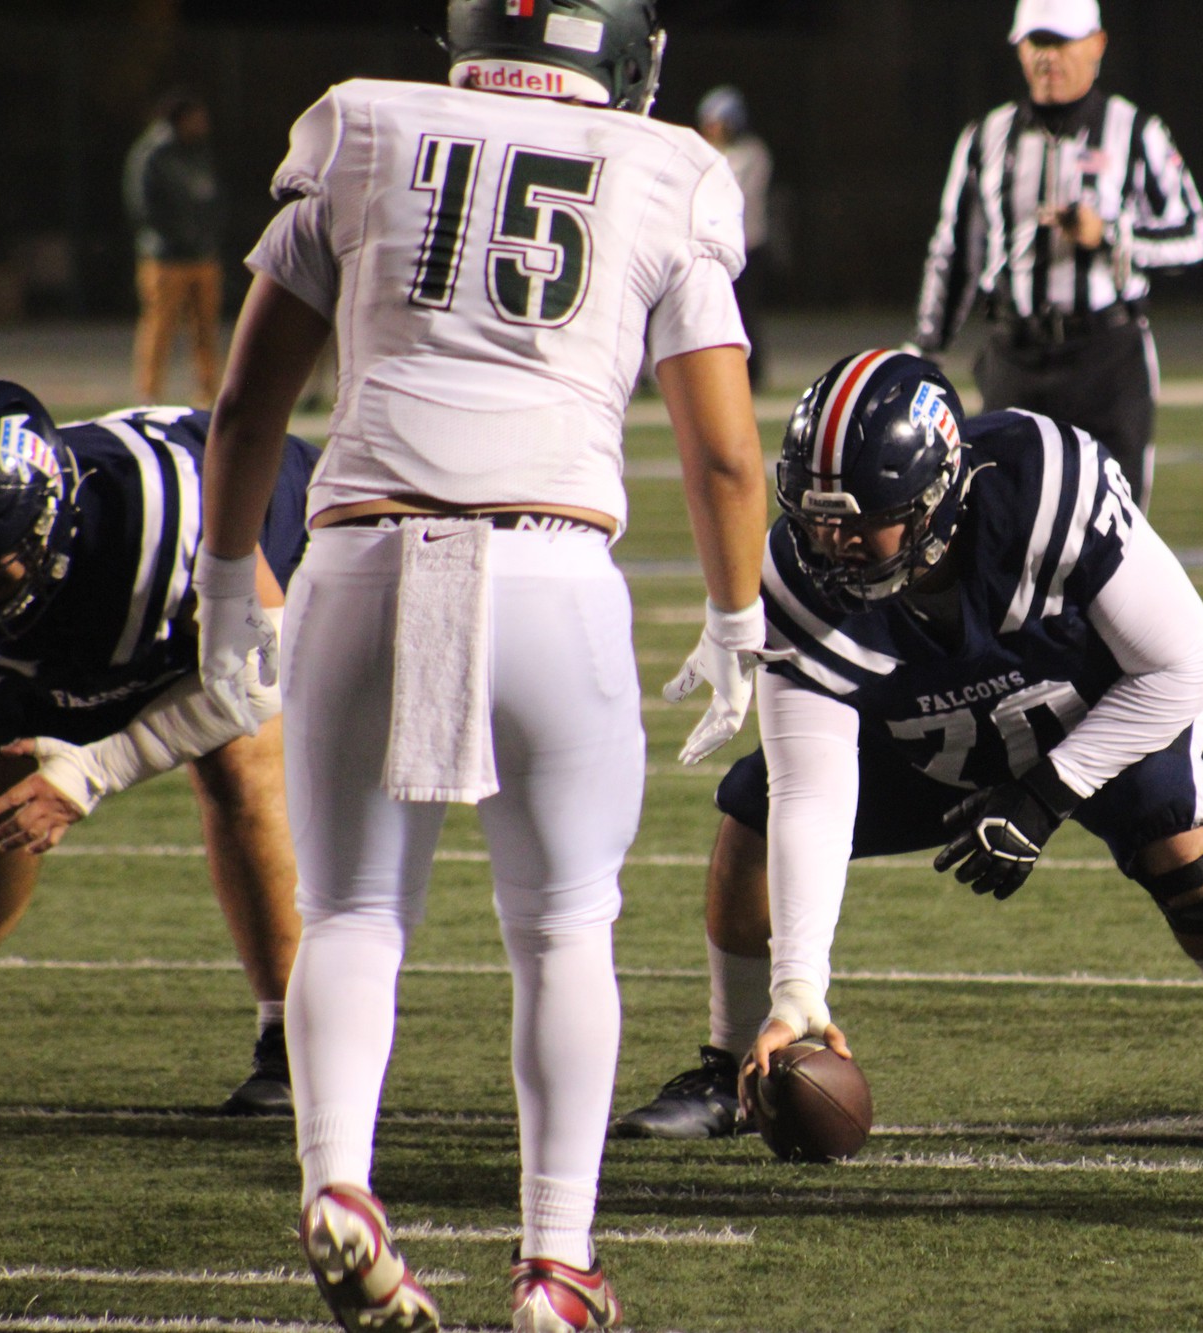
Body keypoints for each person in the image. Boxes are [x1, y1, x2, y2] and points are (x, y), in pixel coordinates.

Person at [196, 2, 773, 1330]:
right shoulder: (666, 168)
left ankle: (340, 1181)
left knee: (350, 915)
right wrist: (739, 617)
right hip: (548, 566)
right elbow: (726, 453)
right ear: (622, 55)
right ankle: (554, 1264)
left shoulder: (360, 125)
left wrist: (229, 577)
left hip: (361, 552)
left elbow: (245, 405)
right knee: (566, 925)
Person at [618, 349, 1203, 1154]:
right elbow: (810, 795)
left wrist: (1042, 795)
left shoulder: (1043, 484)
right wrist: (798, 993)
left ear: (933, 499)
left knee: (1188, 846)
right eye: (815, 517)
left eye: (856, 519)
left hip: (1098, 706)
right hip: (939, 734)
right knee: (751, 812)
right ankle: (731, 1067)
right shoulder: (797, 578)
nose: (831, 543)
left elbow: (1183, 666)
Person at [0, 379, 310, 1120]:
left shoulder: (164, 510)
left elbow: (255, 681)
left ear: (45, 520)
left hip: (217, 609)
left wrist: (92, 769)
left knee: (235, 758)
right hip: (77, 623)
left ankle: (291, 1035)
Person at [909, 0, 1203, 509]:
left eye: (1060, 43)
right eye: (1036, 43)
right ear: (1019, 47)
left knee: (1117, 531)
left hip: (1106, 357)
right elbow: (956, 251)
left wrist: (1111, 234)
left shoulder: (1135, 132)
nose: (1047, 58)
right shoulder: (986, 138)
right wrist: (924, 350)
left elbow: (1193, 236)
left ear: (1096, 44)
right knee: (999, 525)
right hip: (1016, 356)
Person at [124, 90, 226, 406]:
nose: (203, 124)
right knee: (159, 328)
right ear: (181, 119)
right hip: (165, 257)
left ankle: (209, 395)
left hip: (201, 255)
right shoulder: (152, 153)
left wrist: (206, 237)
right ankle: (149, 396)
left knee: (206, 330)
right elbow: (142, 206)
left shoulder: (198, 153)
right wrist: (178, 237)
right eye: (197, 118)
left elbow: (211, 198)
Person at [697, 86, 772, 389]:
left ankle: (752, 373)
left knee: (745, 313)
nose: (711, 129)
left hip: (747, 244)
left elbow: (734, 190)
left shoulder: (752, 153)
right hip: (716, 245)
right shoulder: (708, 151)